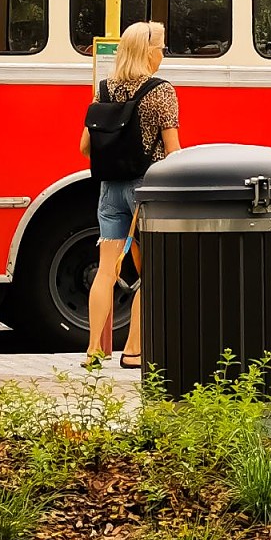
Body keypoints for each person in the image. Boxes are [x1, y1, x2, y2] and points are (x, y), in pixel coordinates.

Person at [79, 20, 181, 368]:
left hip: (109, 190)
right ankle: (134, 351)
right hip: (145, 190)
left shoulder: (104, 90)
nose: (163, 53)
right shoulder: (161, 90)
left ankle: (94, 349)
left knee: (106, 271)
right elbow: (174, 151)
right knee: (151, 273)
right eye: (161, 47)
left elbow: (84, 147)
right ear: (147, 50)